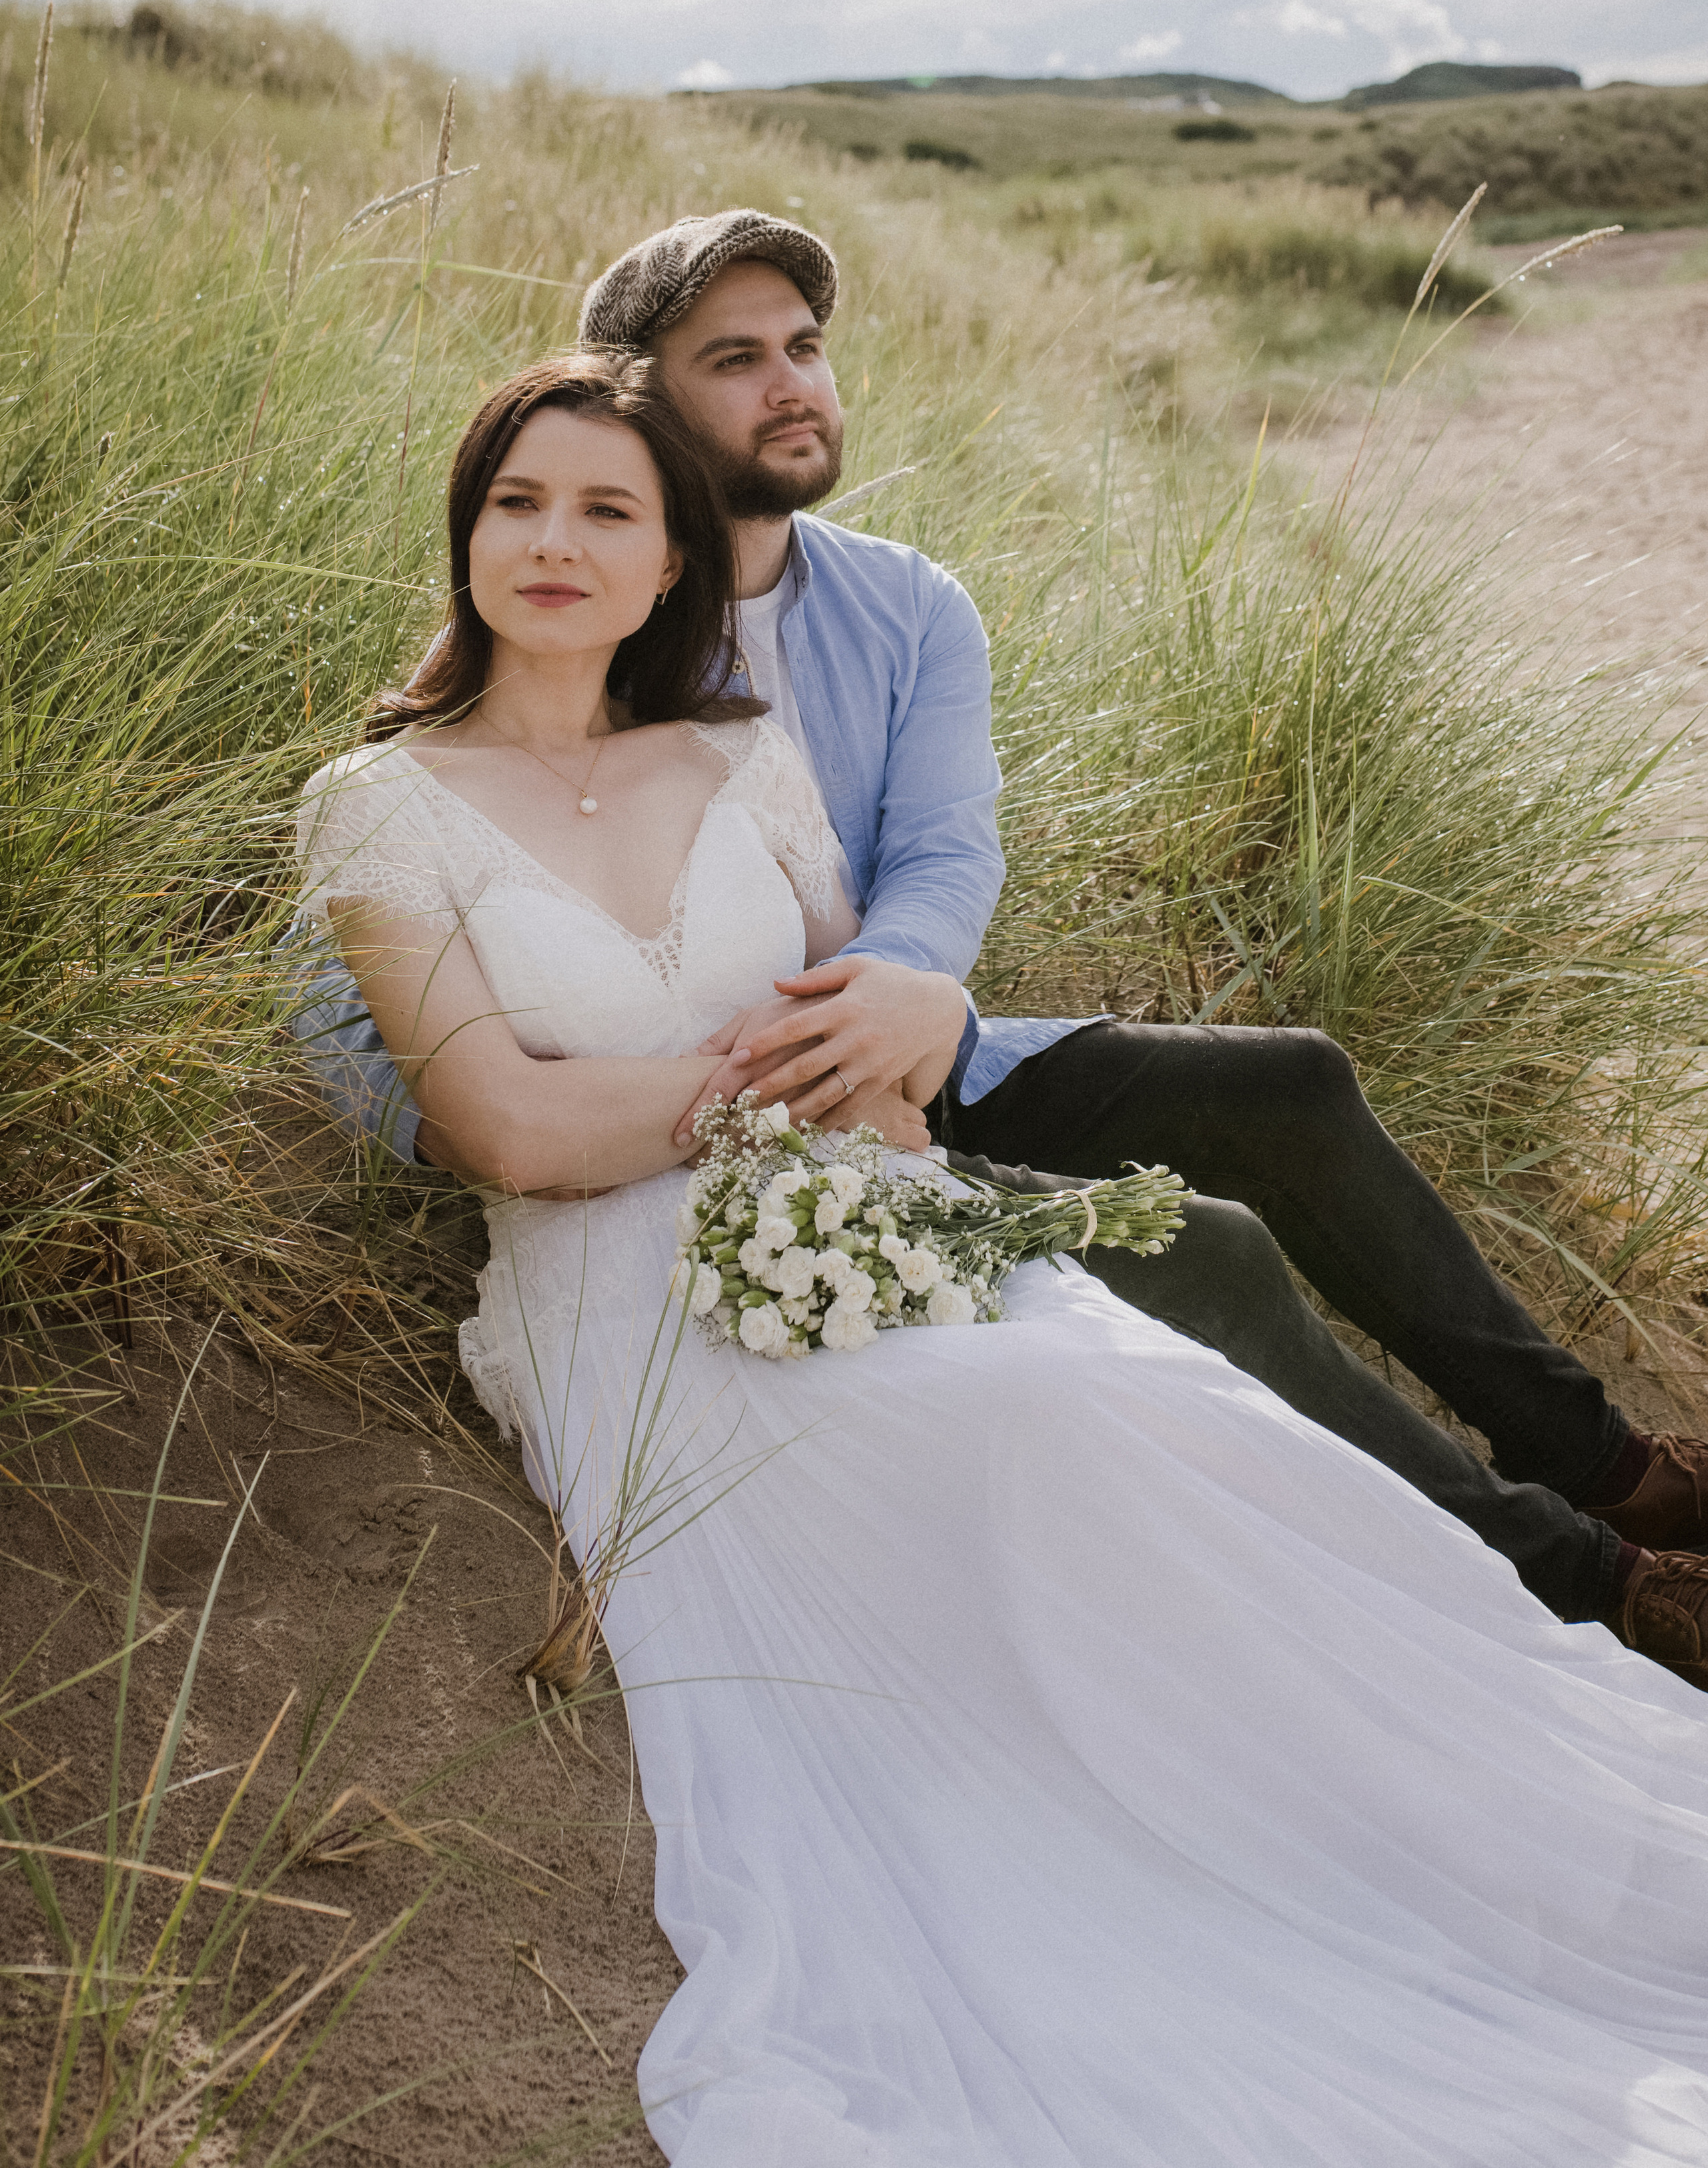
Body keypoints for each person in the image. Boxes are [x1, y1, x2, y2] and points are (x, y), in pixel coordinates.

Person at [295, 345, 1708, 2167]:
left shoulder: (739, 751)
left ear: (673, 568)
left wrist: (842, 1135)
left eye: (606, 511)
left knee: (1155, 1389)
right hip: (626, 1293)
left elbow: (875, 1078)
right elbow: (502, 1125)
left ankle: (1399, 1812)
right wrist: (755, 1108)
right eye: (516, 501)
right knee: (1036, 1416)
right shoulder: (381, 805)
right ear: (466, 533)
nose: (553, 542)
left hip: (861, 1220)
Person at [292, 208, 1708, 1684]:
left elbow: (945, 849)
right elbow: (395, 992)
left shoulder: (900, 604)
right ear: (635, 393)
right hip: (681, 1136)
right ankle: (1573, 1583)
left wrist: (901, 993)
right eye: (735, 360)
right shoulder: (558, 646)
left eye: (805, 350)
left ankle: (1603, 1469)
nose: (791, 387)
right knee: (1192, 1266)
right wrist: (525, 1128)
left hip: (899, 1054)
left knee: (1285, 1087)